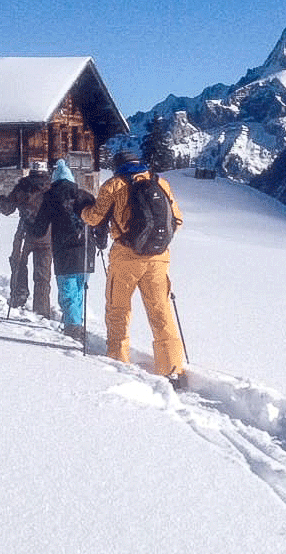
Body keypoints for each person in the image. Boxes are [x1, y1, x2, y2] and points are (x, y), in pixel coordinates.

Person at [81, 149, 186, 385]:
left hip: (126, 256)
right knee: (160, 311)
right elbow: (177, 220)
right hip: (159, 258)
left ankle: (118, 359)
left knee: (118, 309)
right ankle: (172, 367)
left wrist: (83, 210)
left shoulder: (114, 185)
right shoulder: (160, 182)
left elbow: (95, 218)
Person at [28, 159, 95, 343]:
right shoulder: (86, 195)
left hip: (64, 250)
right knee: (80, 288)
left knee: (68, 289)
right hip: (87, 249)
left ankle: (73, 326)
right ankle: (76, 322)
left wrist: (30, 224)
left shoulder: (51, 197)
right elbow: (99, 220)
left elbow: (39, 229)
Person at [0, 162, 52, 316]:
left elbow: (8, 208)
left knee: (18, 262)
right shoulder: (51, 187)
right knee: (43, 275)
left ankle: (19, 295)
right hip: (47, 235)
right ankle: (42, 310)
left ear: (32, 170)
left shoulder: (23, 185)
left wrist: (0, 201)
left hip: (25, 233)